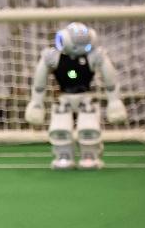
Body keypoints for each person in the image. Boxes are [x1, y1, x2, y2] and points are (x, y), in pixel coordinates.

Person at [24, 22, 126, 169]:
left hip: (85, 98)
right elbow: (39, 84)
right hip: (64, 98)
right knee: (60, 129)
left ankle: (89, 154)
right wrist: (36, 103)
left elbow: (111, 82)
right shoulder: (53, 57)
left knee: (88, 128)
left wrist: (114, 101)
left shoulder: (94, 56)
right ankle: (63, 155)